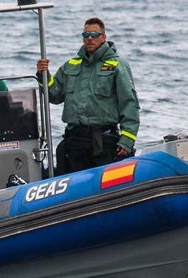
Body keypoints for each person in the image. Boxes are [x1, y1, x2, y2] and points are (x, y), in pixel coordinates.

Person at [36, 17, 140, 175]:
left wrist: (127, 140)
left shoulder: (117, 66)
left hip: (103, 140)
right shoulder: (71, 65)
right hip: (75, 140)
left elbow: (129, 104)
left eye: (94, 34)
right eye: (86, 35)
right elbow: (54, 94)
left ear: (104, 37)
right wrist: (43, 75)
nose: (90, 38)